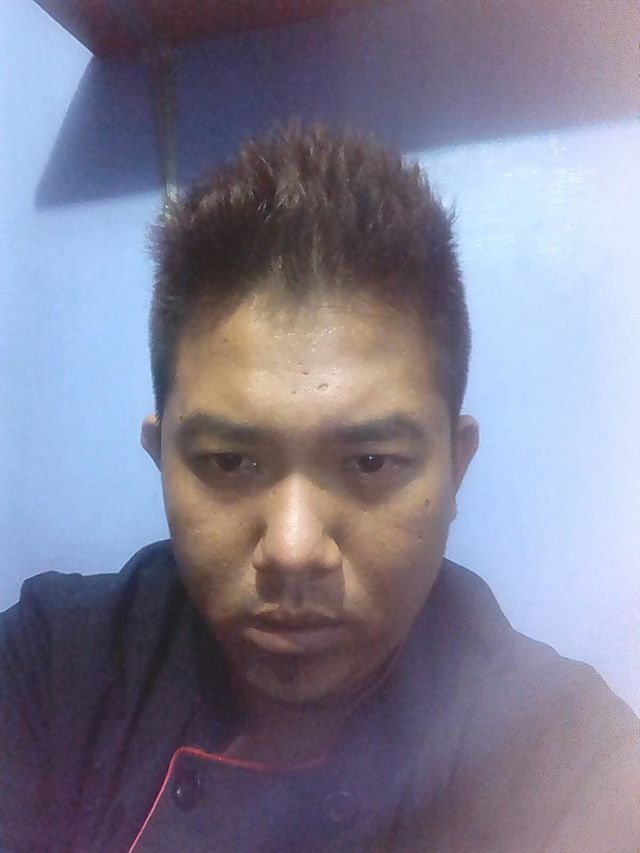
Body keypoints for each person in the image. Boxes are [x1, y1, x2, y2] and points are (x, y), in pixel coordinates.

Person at [0, 123, 637, 853]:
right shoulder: (52, 670)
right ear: (161, 457)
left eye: (370, 462)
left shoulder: (563, 757)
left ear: (455, 468)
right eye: (229, 462)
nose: (294, 550)